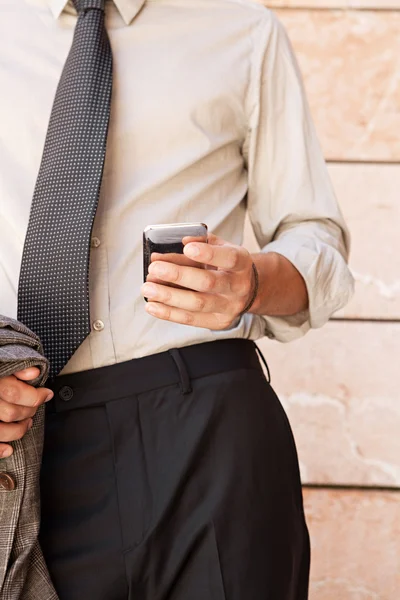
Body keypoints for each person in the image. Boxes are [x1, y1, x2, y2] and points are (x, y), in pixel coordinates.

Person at [0, 0, 354, 598]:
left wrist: (254, 282)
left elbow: (316, 233)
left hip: (204, 429)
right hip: (24, 436)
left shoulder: (241, 30)